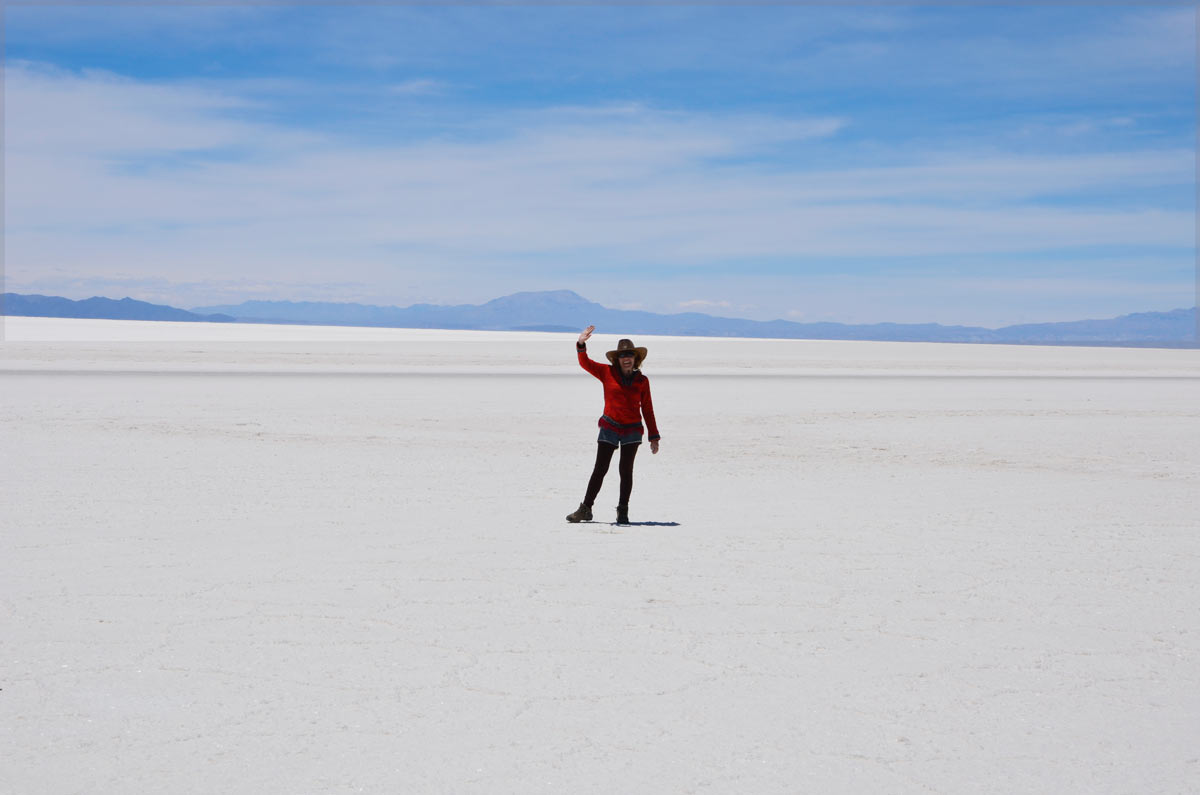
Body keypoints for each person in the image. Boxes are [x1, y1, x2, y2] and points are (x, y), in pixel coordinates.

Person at [566, 325, 661, 525]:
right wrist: (581, 344)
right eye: (622, 355)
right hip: (610, 427)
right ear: (616, 359)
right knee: (600, 469)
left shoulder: (642, 381)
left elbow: (648, 409)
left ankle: (623, 511)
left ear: (636, 359)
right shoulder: (606, 372)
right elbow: (585, 363)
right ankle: (586, 509)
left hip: (632, 430)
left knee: (625, 471)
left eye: (630, 355)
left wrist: (654, 436)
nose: (626, 358)